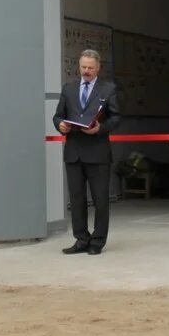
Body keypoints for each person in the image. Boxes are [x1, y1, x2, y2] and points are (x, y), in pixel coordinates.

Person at [52, 49, 121, 255]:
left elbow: (116, 118)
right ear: (79, 66)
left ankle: (97, 241)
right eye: (83, 67)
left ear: (98, 67)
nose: (87, 71)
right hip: (74, 152)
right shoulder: (69, 88)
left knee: (100, 199)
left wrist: (100, 128)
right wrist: (60, 125)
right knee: (77, 199)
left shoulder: (108, 89)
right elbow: (58, 116)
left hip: (98, 152)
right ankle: (81, 239)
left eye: (91, 67)